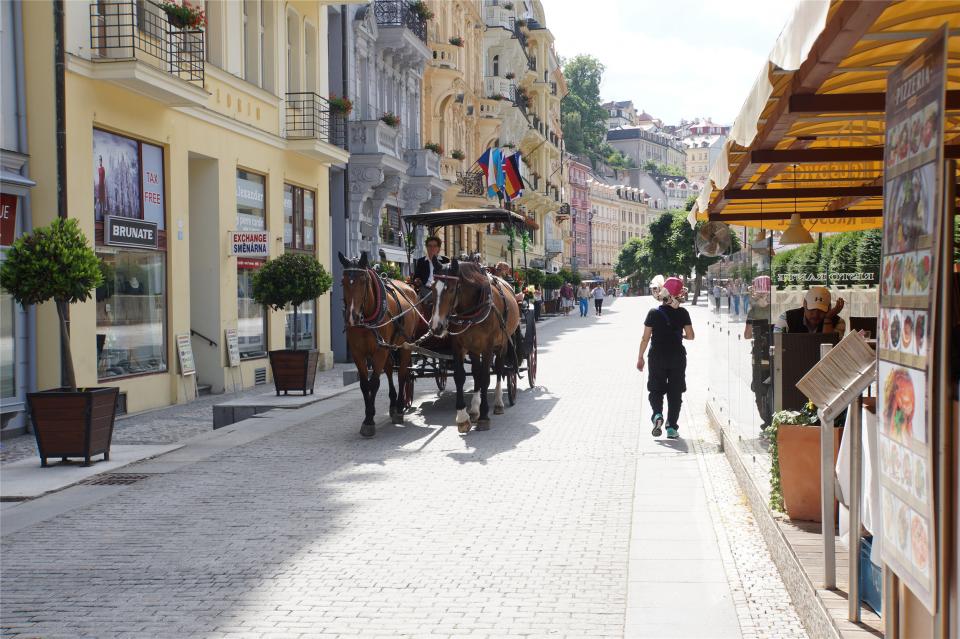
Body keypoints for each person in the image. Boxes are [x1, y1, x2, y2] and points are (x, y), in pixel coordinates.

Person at [637, 276, 694, 439]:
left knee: (655, 389)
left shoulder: (653, 313)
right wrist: (678, 335)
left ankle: (657, 415)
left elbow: (645, 338)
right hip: (677, 356)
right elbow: (691, 336)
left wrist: (640, 357)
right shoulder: (683, 313)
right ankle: (671, 427)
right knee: (675, 392)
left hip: (657, 356)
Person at [744, 275, 773, 428]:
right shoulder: (777, 307)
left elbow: (747, 335)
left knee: (759, 389)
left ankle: (766, 420)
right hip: (777, 355)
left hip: (759, 356)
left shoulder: (754, 311)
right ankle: (772, 419)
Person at [774, 285, 846, 335]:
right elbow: (777, 347)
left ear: (829, 308)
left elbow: (830, 350)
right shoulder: (786, 318)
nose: (815, 314)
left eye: (821, 310)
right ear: (804, 304)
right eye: (812, 309)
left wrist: (828, 319)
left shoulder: (839, 322)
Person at [413, 235, 449, 300]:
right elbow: (416, 277)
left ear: (439, 248)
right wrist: (417, 280)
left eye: (435, 246)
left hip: (441, 291)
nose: (432, 248)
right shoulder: (421, 261)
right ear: (426, 247)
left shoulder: (445, 260)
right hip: (425, 290)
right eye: (429, 246)